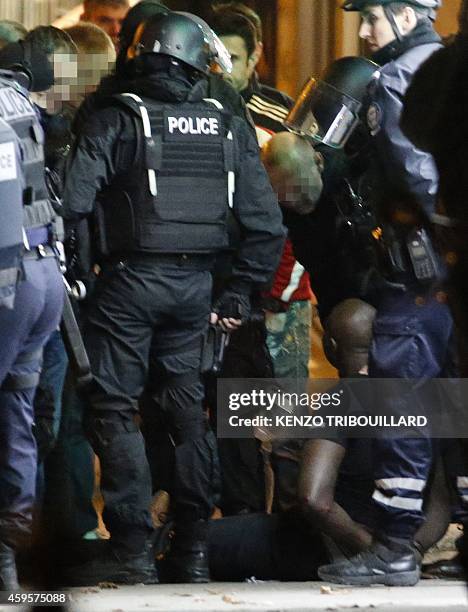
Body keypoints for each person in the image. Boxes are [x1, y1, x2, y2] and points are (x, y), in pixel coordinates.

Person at [61, 11, 284, 586]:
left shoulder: (118, 118)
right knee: (187, 414)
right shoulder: (227, 125)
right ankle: (194, 550)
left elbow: (73, 199)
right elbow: (266, 225)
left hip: (127, 286)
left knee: (114, 409)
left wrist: (82, 273)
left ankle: (134, 551)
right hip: (197, 292)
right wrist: (236, 291)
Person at [317, 0, 452, 587]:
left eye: (373, 16)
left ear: (406, 14)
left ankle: (395, 547)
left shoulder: (398, 78)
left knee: (401, 402)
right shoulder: (451, 66)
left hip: (417, 273)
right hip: (454, 275)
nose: (366, 31)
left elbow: (420, 178)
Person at [0, 51, 64, 590]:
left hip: (9, 279)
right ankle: (7, 563)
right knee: (15, 420)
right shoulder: (18, 100)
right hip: (43, 276)